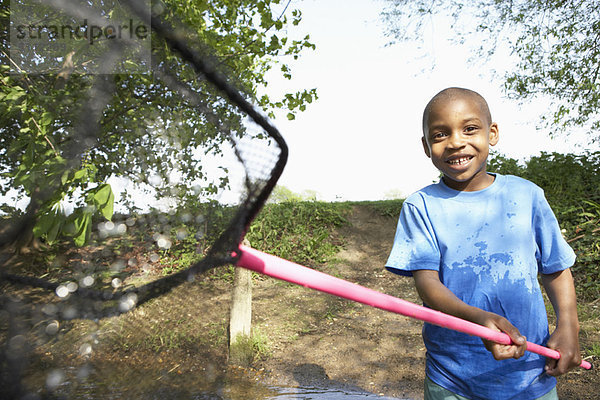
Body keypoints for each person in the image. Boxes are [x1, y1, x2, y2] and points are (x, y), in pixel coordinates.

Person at [385, 87, 582, 400]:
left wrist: (569, 326)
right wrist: (476, 319)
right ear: (426, 146)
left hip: (530, 374)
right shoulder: (420, 206)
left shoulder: (527, 195)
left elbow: (555, 268)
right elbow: (427, 284)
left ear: (492, 133)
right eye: (440, 134)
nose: (455, 142)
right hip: (452, 378)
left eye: (470, 129)